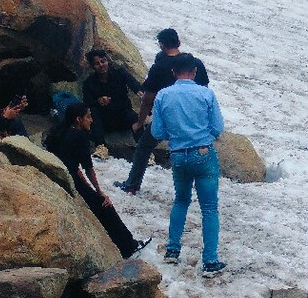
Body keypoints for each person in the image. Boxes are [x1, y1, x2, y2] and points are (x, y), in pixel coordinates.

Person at [150, 53, 226, 276]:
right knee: (209, 208)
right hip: (203, 153)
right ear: (194, 71)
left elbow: (157, 132)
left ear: (173, 72)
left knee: (181, 201)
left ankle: (172, 251)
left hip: (178, 155)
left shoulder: (163, 95)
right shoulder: (206, 94)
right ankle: (210, 261)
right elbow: (217, 128)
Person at [44, 102, 148, 258]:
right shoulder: (79, 136)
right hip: (71, 180)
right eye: (88, 117)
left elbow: (73, 166)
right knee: (105, 206)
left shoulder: (60, 132)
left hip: (63, 178)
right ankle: (128, 246)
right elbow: (88, 168)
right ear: (78, 119)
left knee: (97, 204)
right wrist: (99, 192)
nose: (91, 120)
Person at [115, 28, 210, 195]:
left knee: (144, 146)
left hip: (167, 119)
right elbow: (205, 93)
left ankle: (132, 184)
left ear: (161, 45)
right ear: (178, 43)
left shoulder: (159, 67)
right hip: (193, 120)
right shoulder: (197, 64)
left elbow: (147, 99)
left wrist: (139, 122)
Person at [82, 49, 142, 158]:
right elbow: (87, 103)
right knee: (93, 112)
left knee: (133, 116)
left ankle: (145, 151)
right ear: (92, 66)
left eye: (103, 61)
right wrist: (98, 101)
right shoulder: (89, 83)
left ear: (107, 61)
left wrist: (140, 93)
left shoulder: (120, 73)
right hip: (104, 121)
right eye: (97, 63)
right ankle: (101, 148)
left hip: (122, 115)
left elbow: (135, 85)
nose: (101, 65)